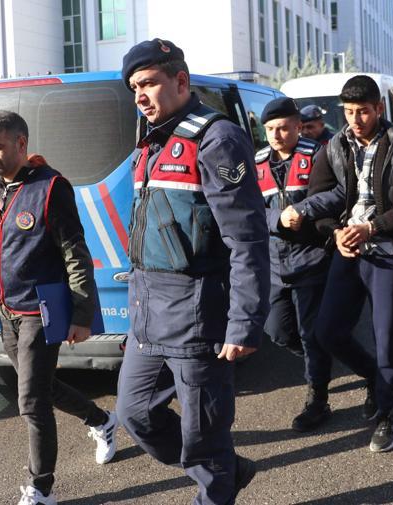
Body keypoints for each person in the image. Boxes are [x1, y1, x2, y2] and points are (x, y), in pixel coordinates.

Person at [0, 110, 117, 505]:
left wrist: (81, 315)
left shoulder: (51, 187)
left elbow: (75, 255)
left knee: (29, 401)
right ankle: (102, 420)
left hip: (38, 311)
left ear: (21, 144)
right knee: (40, 388)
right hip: (4, 309)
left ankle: (40, 487)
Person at [114, 39, 270, 505]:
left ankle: (216, 480)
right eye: (133, 87)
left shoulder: (216, 139)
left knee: (204, 435)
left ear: (180, 81)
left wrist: (244, 323)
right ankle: (227, 471)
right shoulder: (151, 141)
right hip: (149, 314)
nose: (139, 95)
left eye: (148, 83)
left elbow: (246, 239)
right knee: (134, 413)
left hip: (199, 315)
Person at [291, 75, 393, 452]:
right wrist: (335, 233)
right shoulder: (333, 147)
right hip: (347, 250)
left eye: (363, 111)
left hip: (386, 250)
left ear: (378, 108)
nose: (355, 119)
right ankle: (373, 377)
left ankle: (385, 414)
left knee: (386, 336)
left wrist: (373, 227)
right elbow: (319, 202)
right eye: (349, 112)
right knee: (327, 332)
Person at [254, 97, 333, 432]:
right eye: (270, 129)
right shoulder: (256, 161)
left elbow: (338, 193)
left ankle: (318, 397)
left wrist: (305, 210)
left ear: (298, 126)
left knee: (309, 331)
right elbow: (247, 206)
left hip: (311, 259)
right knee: (277, 330)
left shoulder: (318, 155)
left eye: (283, 127)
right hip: (273, 264)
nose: (276, 134)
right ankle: (318, 363)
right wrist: (278, 219)